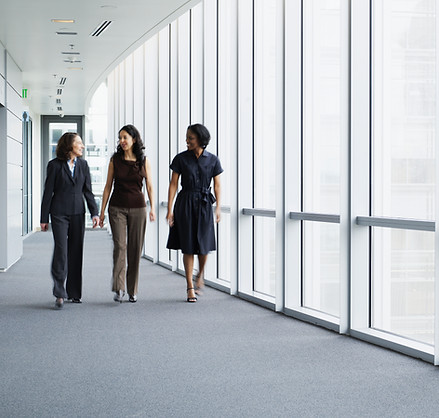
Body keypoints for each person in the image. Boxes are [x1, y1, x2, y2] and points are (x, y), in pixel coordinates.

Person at [40, 132, 100, 309]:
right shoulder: (54, 165)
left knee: (76, 250)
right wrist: (44, 218)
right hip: (58, 212)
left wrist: (94, 213)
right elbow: (48, 192)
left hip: (77, 213)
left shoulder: (83, 165)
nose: (82, 146)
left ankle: (74, 292)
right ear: (69, 146)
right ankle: (59, 291)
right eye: (79, 143)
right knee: (61, 250)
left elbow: (88, 192)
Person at [166, 123, 223, 302]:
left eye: (190, 138)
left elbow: (217, 184)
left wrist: (218, 207)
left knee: (204, 246)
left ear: (200, 139)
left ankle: (201, 275)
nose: (187, 141)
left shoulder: (213, 159)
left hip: (205, 203)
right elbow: (173, 184)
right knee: (188, 245)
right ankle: (190, 286)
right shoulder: (180, 159)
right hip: (185, 203)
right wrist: (169, 209)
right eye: (187, 138)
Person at [99, 124, 156, 303]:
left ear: (134, 139)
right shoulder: (114, 160)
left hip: (138, 209)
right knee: (120, 247)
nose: (122, 141)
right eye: (120, 138)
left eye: (125, 137)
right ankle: (119, 287)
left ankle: (132, 289)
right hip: (117, 208)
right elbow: (108, 187)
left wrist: (153, 208)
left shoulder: (143, 160)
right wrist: (101, 212)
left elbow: (150, 186)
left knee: (134, 249)